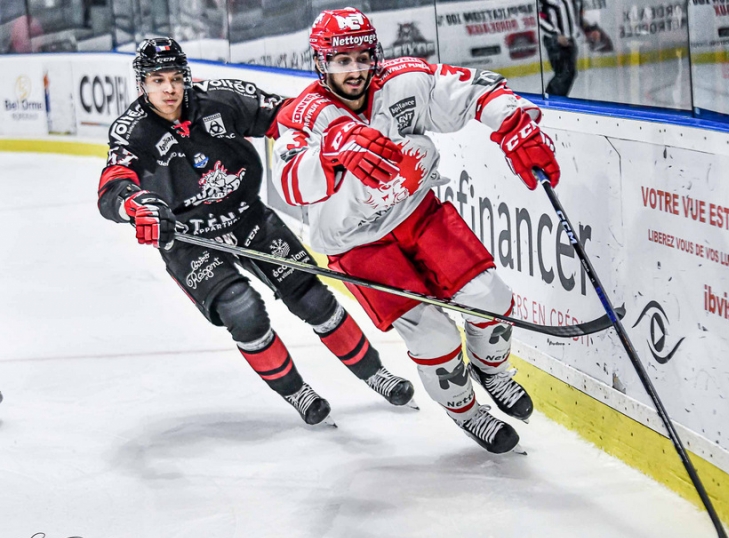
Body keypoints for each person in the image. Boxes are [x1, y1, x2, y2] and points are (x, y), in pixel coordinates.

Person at [271, 8, 561, 454]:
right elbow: (288, 182)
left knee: (492, 297)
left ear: (376, 54)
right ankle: (467, 413)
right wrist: (331, 154)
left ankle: (492, 372)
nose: (354, 70)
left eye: (362, 58)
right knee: (434, 336)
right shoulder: (304, 115)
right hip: (357, 243)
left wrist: (512, 121)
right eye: (341, 61)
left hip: (416, 211)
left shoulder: (404, 81)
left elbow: (476, 91)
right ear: (321, 63)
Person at [96, 37, 415, 426]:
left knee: (311, 297)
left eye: (176, 78)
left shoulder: (222, 99)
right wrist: (136, 205)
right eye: (158, 80)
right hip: (189, 240)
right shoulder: (132, 130)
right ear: (142, 84)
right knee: (242, 311)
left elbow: (287, 114)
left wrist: (332, 138)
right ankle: (299, 394)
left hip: (247, 216)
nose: (168, 89)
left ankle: (376, 375)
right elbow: (113, 183)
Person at [538, 0, 610, 97]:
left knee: (568, 73)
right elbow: (541, 20)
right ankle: (551, 99)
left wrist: (585, 32)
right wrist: (556, 35)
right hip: (555, 41)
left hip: (569, 40)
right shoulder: (548, 2)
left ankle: (554, 99)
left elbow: (577, 16)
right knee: (564, 73)